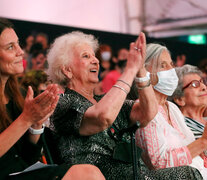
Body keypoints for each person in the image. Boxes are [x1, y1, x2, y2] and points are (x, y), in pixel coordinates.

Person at [47, 31, 202, 179]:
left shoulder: (105, 100)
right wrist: (130, 69)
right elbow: (103, 117)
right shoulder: (62, 103)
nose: (96, 60)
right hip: (99, 175)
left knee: (191, 173)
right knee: (189, 174)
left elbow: (148, 112)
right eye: (86, 56)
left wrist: (140, 72)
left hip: (135, 173)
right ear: (67, 70)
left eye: (94, 56)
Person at [0, 18, 105, 180]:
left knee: (91, 172)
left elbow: (28, 159)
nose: (20, 52)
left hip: (21, 173)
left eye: (18, 44)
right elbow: (103, 117)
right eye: (10, 47)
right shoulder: (68, 102)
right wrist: (26, 118)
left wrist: (36, 125)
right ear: (67, 70)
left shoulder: (18, 94)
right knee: (88, 174)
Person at [134, 43, 207, 179]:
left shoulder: (172, 107)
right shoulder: (142, 108)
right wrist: (202, 142)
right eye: (163, 65)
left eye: (171, 64)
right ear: (145, 73)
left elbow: (190, 147)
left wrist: (200, 151)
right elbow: (157, 163)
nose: (171, 70)